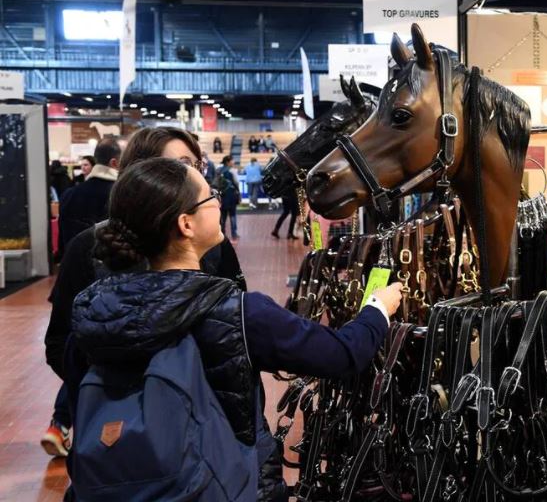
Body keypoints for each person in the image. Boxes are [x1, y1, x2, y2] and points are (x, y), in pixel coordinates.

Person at [63, 157, 403, 500]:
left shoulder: (93, 313)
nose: (218, 200)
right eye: (209, 195)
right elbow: (342, 354)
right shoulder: (237, 312)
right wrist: (378, 308)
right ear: (186, 224)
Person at [42, 126, 247, 459]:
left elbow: (237, 333)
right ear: (144, 175)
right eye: (181, 165)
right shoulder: (88, 249)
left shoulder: (213, 247)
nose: (194, 177)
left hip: (206, 432)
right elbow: (59, 343)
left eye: (196, 165)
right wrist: (115, 394)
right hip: (116, 443)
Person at [57, 141, 121, 261]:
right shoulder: (123, 195)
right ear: (115, 162)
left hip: (75, 267)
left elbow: (62, 240)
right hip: (112, 272)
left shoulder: (69, 194)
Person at [216, 155, 240, 240]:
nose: (233, 162)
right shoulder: (232, 171)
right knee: (233, 216)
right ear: (228, 162)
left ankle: (222, 235)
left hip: (222, 197)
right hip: (231, 196)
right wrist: (239, 195)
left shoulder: (218, 170)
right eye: (232, 160)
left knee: (223, 217)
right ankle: (234, 234)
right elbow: (236, 183)